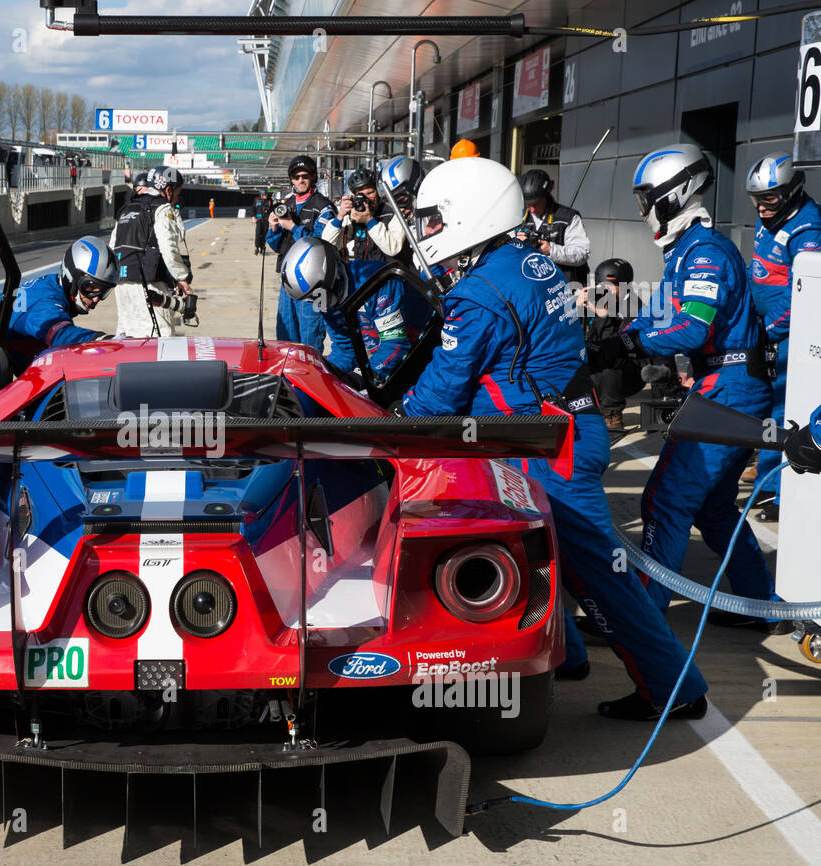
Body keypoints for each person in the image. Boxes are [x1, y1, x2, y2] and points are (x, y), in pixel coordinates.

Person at [398, 156, 709, 720]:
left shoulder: (479, 294)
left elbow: (441, 394)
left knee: (602, 574)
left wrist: (394, 419)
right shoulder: (533, 265)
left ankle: (675, 688)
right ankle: (563, 655)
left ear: (468, 214)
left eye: (434, 219)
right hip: (557, 431)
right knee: (543, 553)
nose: (427, 231)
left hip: (548, 444)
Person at [593, 143, 780, 631]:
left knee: (666, 499)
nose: (642, 210)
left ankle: (641, 617)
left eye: (645, 198)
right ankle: (761, 604)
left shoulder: (706, 252)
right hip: (731, 384)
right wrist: (613, 343)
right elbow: (658, 318)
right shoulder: (685, 251)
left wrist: (633, 346)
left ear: (674, 195)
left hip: (732, 388)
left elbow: (692, 329)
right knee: (714, 507)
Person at [744, 152, 821, 521]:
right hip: (767, 332)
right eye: (756, 198)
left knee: (783, 412)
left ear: (791, 191)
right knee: (765, 411)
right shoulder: (770, 218)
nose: (760, 206)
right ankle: (764, 479)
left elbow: (801, 293)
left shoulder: (808, 229)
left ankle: (779, 492)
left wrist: (766, 333)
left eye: (769, 197)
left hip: (791, 336)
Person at [318, 167, 427, 378]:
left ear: (377, 191)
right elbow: (325, 245)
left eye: (370, 192)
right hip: (367, 292)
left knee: (396, 344)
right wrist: (340, 216)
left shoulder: (393, 212)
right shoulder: (353, 217)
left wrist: (370, 221)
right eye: (361, 194)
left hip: (397, 291)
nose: (366, 199)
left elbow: (392, 246)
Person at [0, 236, 116, 373]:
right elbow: (60, 334)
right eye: (90, 287)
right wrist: (104, 341)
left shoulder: (52, 285)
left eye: (103, 291)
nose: (96, 299)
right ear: (72, 277)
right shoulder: (47, 301)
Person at [110, 165, 192, 337]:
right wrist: (182, 277)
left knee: (126, 336)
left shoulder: (126, 209)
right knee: (160, 339)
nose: (177, 197)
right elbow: (168, 247)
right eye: (177, 192)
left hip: (121, 283)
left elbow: (112, 246)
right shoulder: (161, 208)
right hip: (149, 284)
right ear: (168, 189)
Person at [267, 154, 334, 350]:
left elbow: (320, 243)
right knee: (285, 337)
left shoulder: (324, 206)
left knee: (310, 340)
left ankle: (310, 379)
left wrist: (292, 226)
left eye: (304, 176)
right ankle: (288, 379)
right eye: (296, 177)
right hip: (288, 281)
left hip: (314, 283)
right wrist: (274, 228)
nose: (300, 180)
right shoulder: (286, 204)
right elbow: (276, 247)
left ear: (313, 177)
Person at [576, 258, 642, 434]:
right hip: (598, 366)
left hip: (630, 370)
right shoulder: (595, 302)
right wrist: (574, 310)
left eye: (610, 286)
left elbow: (618, 346)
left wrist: (604, 317)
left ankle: (611, 414)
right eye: (600, 285)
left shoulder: (634, 307)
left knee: (611, 364)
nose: (605, 291)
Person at [516, 168, 590, 287]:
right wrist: (516, 245)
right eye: (528, 204)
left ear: (546, 195)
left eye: (536, 203)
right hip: (535, 289)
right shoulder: (518, 219)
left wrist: (550, 250)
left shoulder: (568, 217)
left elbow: (582, 253)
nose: (532, 209)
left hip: (568, 287)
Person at [252, 190, 270, 254]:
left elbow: (272, 210)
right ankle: (257, 247)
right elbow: (253, 209)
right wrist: (253, 217)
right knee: (258, 234)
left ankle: (262, 248)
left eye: (266, 195)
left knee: (264, 235)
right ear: (261, 195)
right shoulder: (257, 200)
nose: (266, 196)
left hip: (266, 220)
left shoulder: (269, 201)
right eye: (265, 195)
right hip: (259, 220)